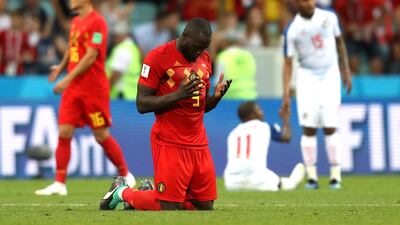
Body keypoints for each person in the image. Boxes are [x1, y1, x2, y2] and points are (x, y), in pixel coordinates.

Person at [99, 18, 232, 211]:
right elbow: (142, 104)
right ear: (184, 36)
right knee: (169, 205)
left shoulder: (204, 59)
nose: (199, 52)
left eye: (203, 48)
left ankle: (149, 193)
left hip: (198, 143)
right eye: (197, 47)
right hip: (170, 140)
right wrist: (178, 94)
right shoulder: (158, 57)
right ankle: (121, 192)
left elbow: (199, 107)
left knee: (204, 206)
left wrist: (216, 98)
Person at [34, 0, 135, 196]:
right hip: (74, 89)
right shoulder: (76, 22)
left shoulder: (98, 22)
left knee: (101, 135)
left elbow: (90, 57)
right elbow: (73, 51)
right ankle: (59, 183)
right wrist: (60, 68)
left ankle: (126, 173)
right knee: (64, 131)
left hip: (93, 90)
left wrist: (66, 80)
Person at [280, 0, 352, 190]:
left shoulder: (330, 17)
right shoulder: (292, 29)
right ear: (297, 3)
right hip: (307, 78)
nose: (310, 3)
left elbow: (340, 42)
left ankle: (335, 176)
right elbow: (287, 63)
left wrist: (346, 71)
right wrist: (286, 93)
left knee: (330, 126)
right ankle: (312, 177)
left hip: (330, 75)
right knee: (308, 127)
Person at [224, 101, 305, 191]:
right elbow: (286, 137)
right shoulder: (265, 126)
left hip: (231, 183)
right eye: (259, 110)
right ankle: (290, 182)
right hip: (258, 180)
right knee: (285, 184)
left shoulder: (233, 133)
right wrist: (285, 119)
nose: (262, 112)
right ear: (251, 115)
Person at [214, 32, 257, 100]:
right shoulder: (248, 55)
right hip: (250, 96)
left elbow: (218, 81)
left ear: (226, 42)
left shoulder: (223, 56)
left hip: (230, 97)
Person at [106, 21, 141, 100]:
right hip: (132, 94)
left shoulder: (122, 49)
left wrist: (105, 91)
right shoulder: (132, 47)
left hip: (121, 95)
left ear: (120, 35)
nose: (113, 39)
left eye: (114, 36)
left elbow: (116, 73)